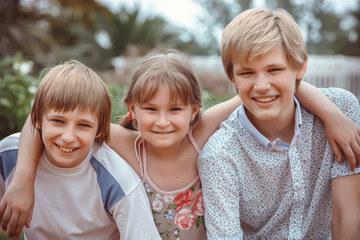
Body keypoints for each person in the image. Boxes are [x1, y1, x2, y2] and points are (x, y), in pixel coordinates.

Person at [1, 49, 360, 240]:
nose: (161, 121)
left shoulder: (200, 133)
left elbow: (261, 91)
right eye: (150, 110)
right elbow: (43, 119)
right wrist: (22, 181)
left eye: (174, 109)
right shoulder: (124, 141)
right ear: (132, 109)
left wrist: (332, 114)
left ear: (193, 110)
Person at [198, 8, 360, 239]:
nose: (262, 85)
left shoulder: (340, 110)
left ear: (300, 67)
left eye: (274, 70)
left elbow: (348, 217)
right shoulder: (220, 155)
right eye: (247, 73)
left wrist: (330, 114)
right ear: (232, 77)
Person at [0, 60, 161, 240]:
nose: (68, 137)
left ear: (100, 130)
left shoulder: (117, 179)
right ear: (37, 119)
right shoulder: (8, 156)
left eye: (83, 125)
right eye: (58, 121)